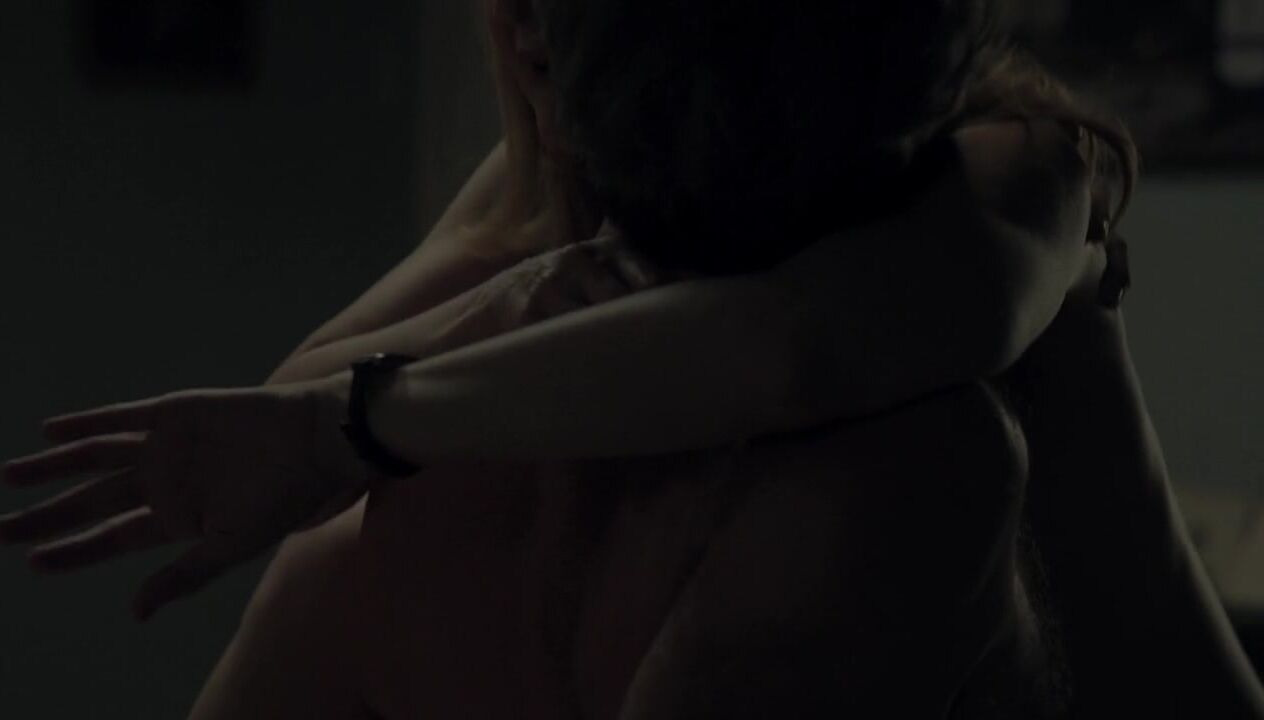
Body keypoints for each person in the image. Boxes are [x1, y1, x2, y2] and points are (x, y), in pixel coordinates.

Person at [7, 0, 1259, 717]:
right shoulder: (543, 239)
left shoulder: (1003, 178)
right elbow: (299, 421)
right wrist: (374, 403)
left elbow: (788, 344)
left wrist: (365, 419)